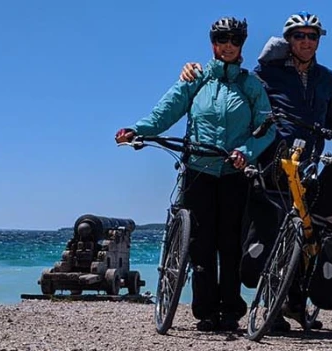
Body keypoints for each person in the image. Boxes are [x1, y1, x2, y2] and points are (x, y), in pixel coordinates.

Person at [179, 11, 332, 333]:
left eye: (312, 36)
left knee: (309, 234)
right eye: (299, 36)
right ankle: (271, 308)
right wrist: (192, 70)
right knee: (272, 231)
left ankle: (295, 301)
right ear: (288, 41)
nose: (306, 42)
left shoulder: (326, 77)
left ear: (319, 40)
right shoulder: (267, 73)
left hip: (310, 160)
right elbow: (249, 102)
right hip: (274, 160)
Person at [114, 16, 275, 332]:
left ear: (241, 45)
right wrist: (137, 130)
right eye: (222, 40)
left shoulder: (252, 85)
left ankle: (230, 311)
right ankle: (204, 312)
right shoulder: (195, 78)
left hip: (232, 173)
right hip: (198, 170)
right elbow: (167, 110)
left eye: (234, 40)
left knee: (229, 246)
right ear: (213, 43)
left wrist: (246, 151)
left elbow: (266, 128)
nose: (228, 46)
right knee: (200, 247)